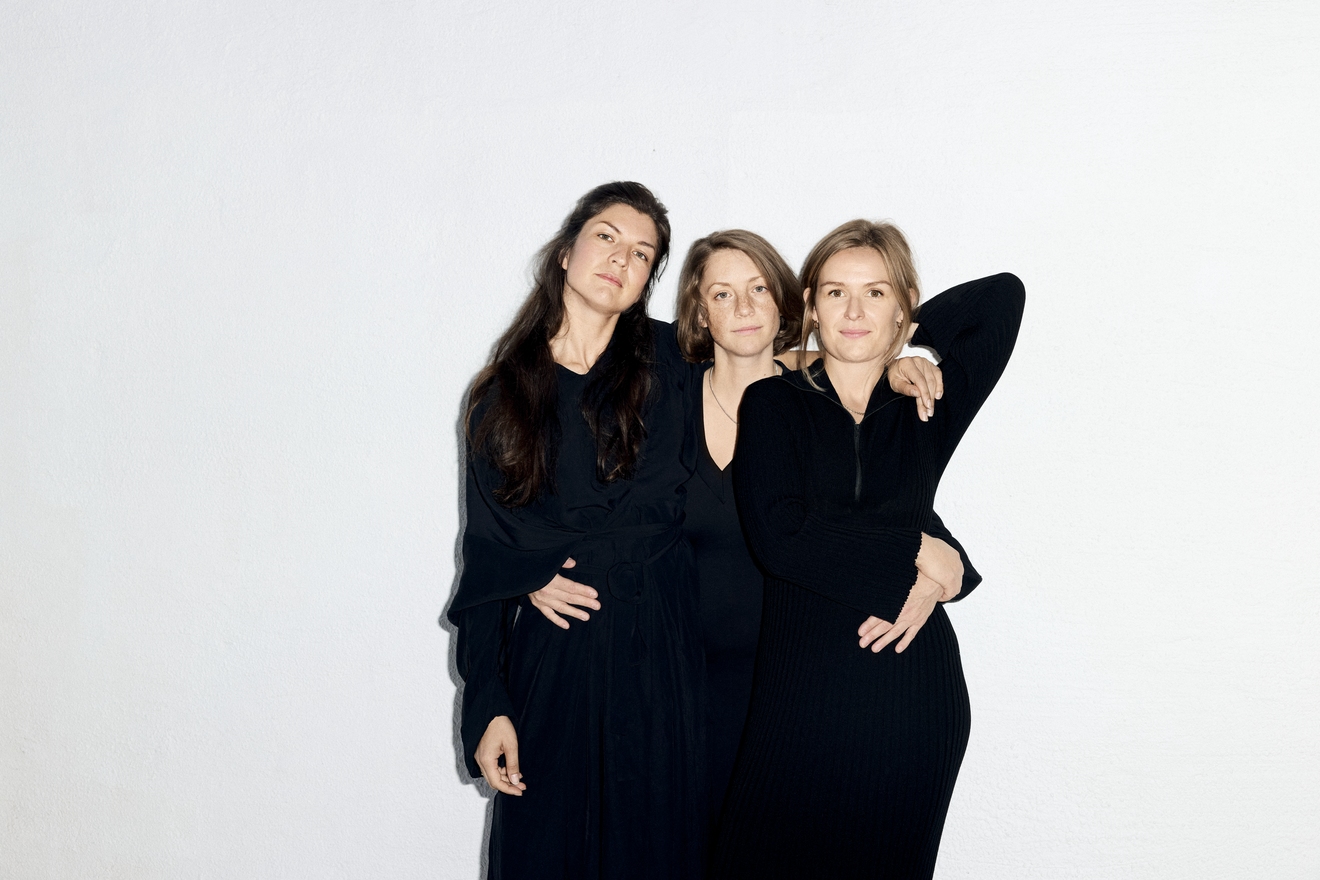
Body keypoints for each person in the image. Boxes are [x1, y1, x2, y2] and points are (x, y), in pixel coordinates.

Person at [709, 220, 1025, 879]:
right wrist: (918, 551)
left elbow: (1002, 299)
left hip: (911, 699)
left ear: (903, 303)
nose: (853, 312)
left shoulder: (925, 404)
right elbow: (780, 540)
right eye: (836, 293)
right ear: (811, 306)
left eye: (875, 294)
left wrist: (913, 347)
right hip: (798, 698)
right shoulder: (772, 403)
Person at [448, 182, 705, 879]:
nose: (622, 258)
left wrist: (903, 360)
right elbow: (487, 556)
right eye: (607, 237)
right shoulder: (503, 395)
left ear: (649, 281)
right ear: (566, 252)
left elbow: (770, 370)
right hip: (557, 663)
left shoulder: (677, 361)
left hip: (664, 656)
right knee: (546, 852)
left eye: (642, 253)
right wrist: (489, 704)